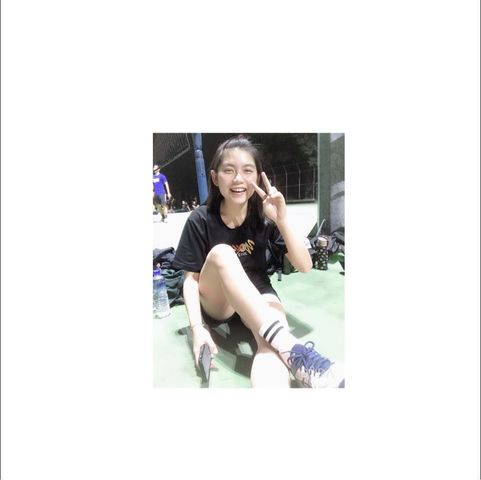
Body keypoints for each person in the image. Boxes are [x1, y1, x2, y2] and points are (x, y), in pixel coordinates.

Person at [172, 136, 344, 388]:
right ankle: (295, 350)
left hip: (258, 291)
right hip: (218, 301)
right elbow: (190, 281)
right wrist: (197, 328)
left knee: (271, 347)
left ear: (258, 177)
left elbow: (305, 265)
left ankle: (289, 353)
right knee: (222, 253)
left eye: (247, 170)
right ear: (215, 177)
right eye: (228, 170)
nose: (238, 179)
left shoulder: (264, 217)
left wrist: (281, 220)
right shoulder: (201, 219)